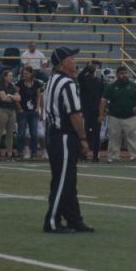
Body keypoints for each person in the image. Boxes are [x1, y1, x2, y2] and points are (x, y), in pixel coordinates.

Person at [42, 47, 93, 233]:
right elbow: (75, 114)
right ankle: (52, 221)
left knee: (68, 180)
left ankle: (74, 219)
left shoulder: (51, 81)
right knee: (63, 181)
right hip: (63, 135)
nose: (75, 61)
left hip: (54, 134)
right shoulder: (67, 83)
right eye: (71, 58)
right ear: (63, 62)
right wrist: (83, 138)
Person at [103, 66, 136, 163]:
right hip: (114, 116)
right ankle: (112, 156)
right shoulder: (111, 87)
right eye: (121, 73)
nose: (124, 75)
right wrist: (101, 113)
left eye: (125, 73)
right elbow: (104, 100)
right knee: (114, 137)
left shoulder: (133, 85)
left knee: (133, 137)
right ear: (117, 74)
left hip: (130, 116)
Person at [0, 69, 21, 161]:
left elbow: (19, 98)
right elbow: (3, 98)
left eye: (12, 76)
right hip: (1, 110)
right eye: (10, 76)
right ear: (5, 77)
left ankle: (10, 154)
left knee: (10, 134)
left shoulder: (12, 86)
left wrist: (10, 96)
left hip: (11, 110)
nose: (12, 78)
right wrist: (13, 98)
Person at [78, 61, 105, 162]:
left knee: (96, 134)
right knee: (84, 134)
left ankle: (95, 155)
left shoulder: (99, 81)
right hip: (86, 111)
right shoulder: (84, 80)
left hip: (96, 111)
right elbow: (80, 76)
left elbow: (103, 98)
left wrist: (102, 113)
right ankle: (83, 154)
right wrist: (86, 68)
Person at [16, 65, 43, 160]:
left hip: (33, 111)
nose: (25, 75)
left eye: (26, 73)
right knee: (21, 133)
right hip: (23, 111)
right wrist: (19, 108)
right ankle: (20, 152)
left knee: (34, 133)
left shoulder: (36, 83)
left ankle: (34, 152)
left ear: (31, 74)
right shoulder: (20, 83)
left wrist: (38, 107)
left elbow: (38, 96)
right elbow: (16, 96)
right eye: (24, 73)